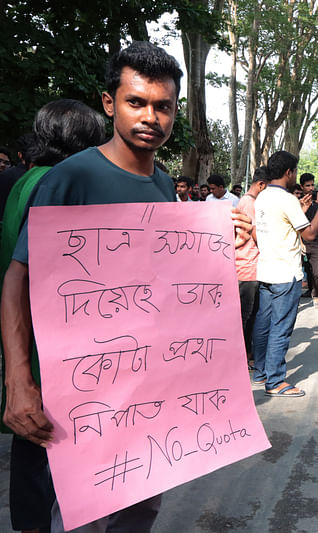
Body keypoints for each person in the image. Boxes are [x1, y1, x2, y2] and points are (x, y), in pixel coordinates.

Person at [2, 41, 252, 533]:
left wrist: (222, 239)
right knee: (83, 519)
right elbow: (18, 279)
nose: (150, 117)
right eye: (136, 102)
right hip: (85, 404)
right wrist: (17, 382)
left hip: (148, 400)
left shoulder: (163, 184)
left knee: (139, 513)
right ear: (109, 103)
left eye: (163, 106)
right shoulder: (72, 178)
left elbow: (164, 284)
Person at [0, 98, 105, 533]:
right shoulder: (63, 183)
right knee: (48, 448)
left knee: (33, 452)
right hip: (53, 345)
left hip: (28, 338)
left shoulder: (25, 179)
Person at [251, 151, 318, 396]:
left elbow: (274, 228)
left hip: (265, 270)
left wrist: (301, 208)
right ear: (289, 172)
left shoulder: (262, 196)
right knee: (280, 327)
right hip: (285, 272)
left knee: (263, 324)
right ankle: (275, 382)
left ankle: (261, 372)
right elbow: (309, 235)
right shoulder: (286, 200)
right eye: (295, 171)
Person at [236, 167, 268, 366]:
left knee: (252, 314)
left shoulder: (248, 202)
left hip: (251, 265)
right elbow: (255, 234)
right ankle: (244, 355)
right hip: (247, 266)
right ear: (261, 185)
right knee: (246, 316)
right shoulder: (249, 203)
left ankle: (248, 353)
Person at [299, 172, 318, 308]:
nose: (311, 188)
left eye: (312, 185)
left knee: (317, 272)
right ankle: (307, 291)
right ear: (302, 187)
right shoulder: (297, 204)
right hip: (300, 242)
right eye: (308, 185)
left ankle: (316, 294)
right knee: (303, 270)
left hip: (316, 242)